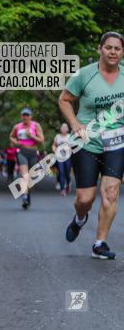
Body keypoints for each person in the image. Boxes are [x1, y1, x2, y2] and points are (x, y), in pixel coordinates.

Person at [59, 31, 124, 260]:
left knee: (111, 193)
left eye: (117, 48)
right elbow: (65, 100)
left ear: (122, 52)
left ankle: (100, 243)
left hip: (117, 142)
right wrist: (75, 124)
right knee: (85, 199)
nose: (113, 52)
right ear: (100, 49)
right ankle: (79, 219)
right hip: (87, 141)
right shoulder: (84, 75)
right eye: (109, 47)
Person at [9, 108, 45, 208]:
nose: (25, 117)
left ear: (31, 116)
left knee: (31, 179)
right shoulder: (17, 127)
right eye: (23, 115)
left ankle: (27, 194)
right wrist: (15, 142)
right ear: (21, 116)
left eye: (27, 115)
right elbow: (11, 136)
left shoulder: (36, 125)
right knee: (24, 175)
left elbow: (41, 140)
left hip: (33, 152)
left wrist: (31, 136)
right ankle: (25, 196)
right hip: (22, 152)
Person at [53, 123, 73, 195]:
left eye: (65, 127)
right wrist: (54, 149)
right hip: (59, 158)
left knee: (67, 173)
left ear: (67, 129)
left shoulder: (70, 136)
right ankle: (62, 189)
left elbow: (73, 146)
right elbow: (54, 145)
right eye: (62, 127)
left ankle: (68, 184)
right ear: (60, 129)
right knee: (61, 172)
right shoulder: (57, 136)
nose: (64, 129)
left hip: (67, 157)